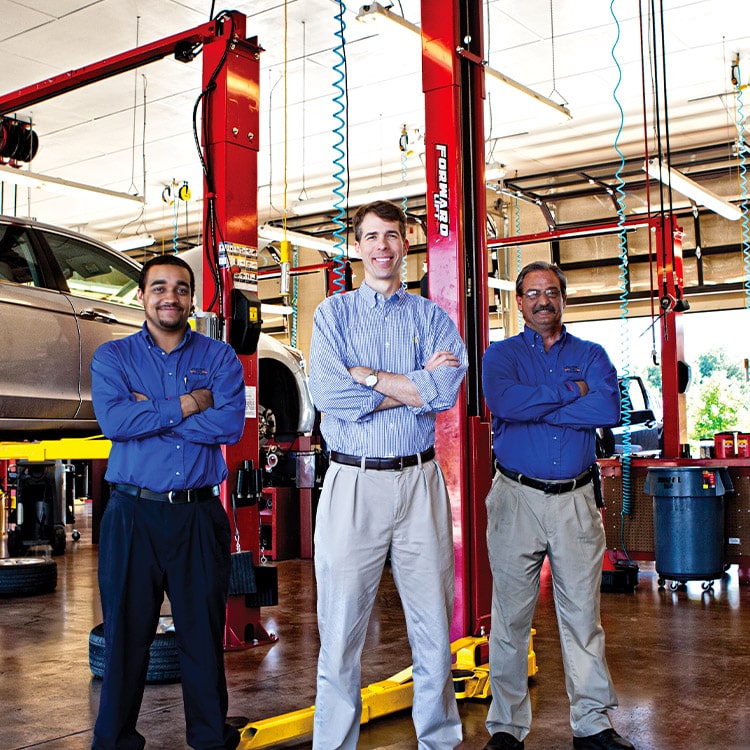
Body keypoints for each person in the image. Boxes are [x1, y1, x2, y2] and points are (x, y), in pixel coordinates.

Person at [308, 200, 468, 750]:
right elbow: (330, 395)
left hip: (420, 482)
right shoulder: (331, 315)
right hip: (354, 483)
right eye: (371, 236)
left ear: (407, 244)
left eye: (392, 236)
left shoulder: (430, 317)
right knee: (341, 629)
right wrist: (411, 384)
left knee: (432, 626)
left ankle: (440, 741)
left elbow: (445, 392)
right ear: (358, 246)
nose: (382, 246)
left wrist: (369, 378)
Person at [90, 254, 246, 750]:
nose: (170, 297)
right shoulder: (112, 358)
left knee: (201, 637)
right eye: (158, 287)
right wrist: (190, 403)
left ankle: (208, 738)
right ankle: (113, 740)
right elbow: (116, 424)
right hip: (132, 514)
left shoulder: (219, 357)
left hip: (199, 515)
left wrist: (150, 411)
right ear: (141, 296)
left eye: (180, 288)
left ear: (192, 298)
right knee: (126, 636)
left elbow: (227, 426)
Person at [481, 261, 634, 750]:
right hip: (515, 498)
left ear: (563, 299)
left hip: (575, 501)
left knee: (582, 617)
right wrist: (572, 393)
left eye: (551, 292)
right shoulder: (499, 355)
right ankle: (506, 729)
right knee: (509, 619)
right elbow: (505, 405)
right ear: (519, 302)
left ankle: (592, 725)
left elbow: (607, 408)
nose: (542, 300)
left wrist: (539, 401)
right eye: (532, 293)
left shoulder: (592, 354)